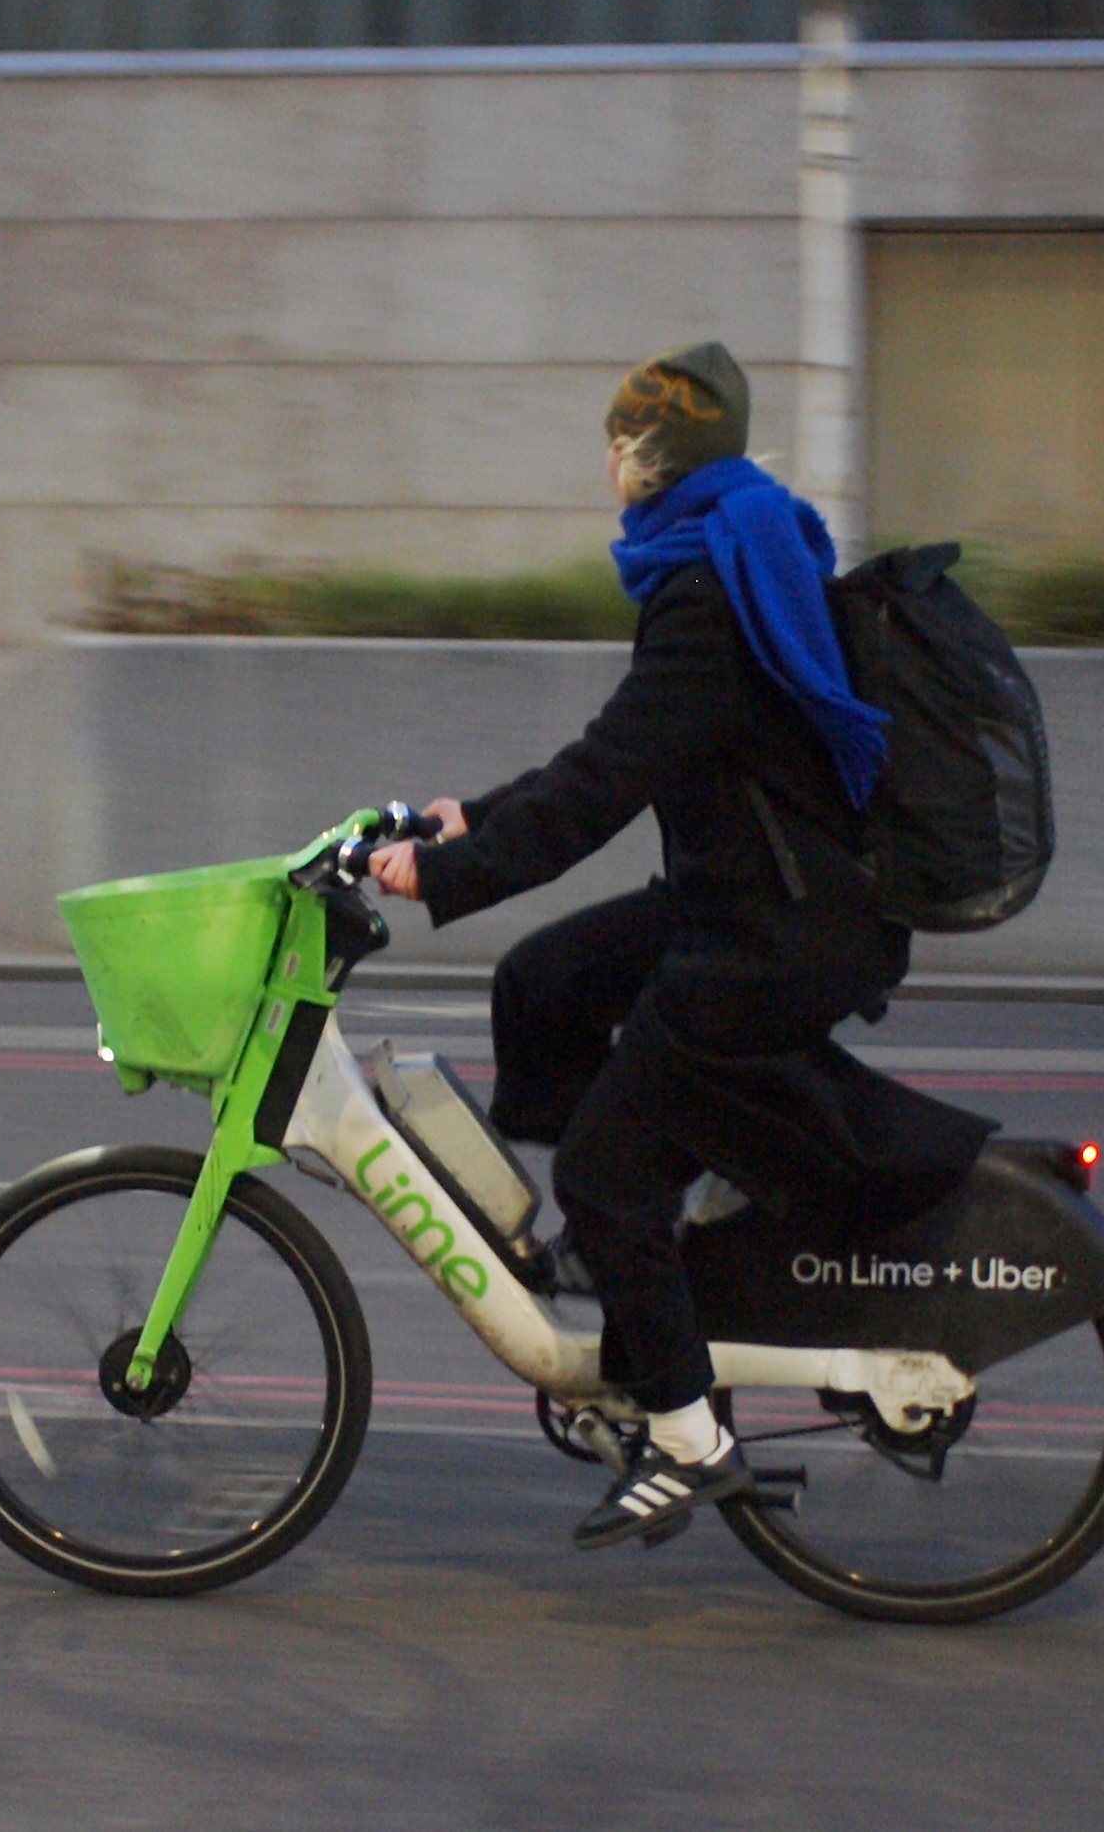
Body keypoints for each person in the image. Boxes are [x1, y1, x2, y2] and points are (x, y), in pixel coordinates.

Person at [367, 341, 993, 1552]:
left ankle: (685, 1435)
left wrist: (448, 871)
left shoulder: (705, 589)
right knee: (543, 981)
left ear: (651, 456)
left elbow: (607, 780)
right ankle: (634, 1244)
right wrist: (469, 816)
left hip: (774, 930)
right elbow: (619, 749)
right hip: (753, 894)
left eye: (617, 442)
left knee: (600, 1165)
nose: (606, 461)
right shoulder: (727, 549)